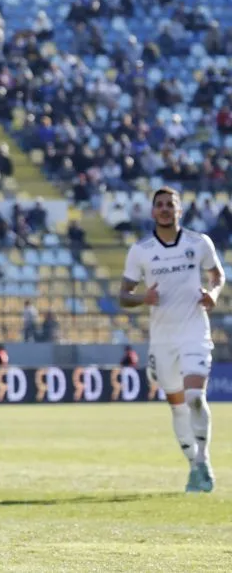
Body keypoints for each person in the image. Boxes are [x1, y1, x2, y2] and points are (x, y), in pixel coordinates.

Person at [119, 186, 225, 493]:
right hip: (162, 340)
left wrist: (213, 294)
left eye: (171, 205)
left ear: (179, 211)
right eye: (160, 205)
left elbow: (217, 274)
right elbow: (123, 295)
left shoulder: (198, 242)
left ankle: (203, 460)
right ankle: (193, 466)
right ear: (153, 212)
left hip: (195, 332)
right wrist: (143, 297)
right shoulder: (140, 250)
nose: (165, 209)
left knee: (195, 398)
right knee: (177, 407)